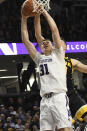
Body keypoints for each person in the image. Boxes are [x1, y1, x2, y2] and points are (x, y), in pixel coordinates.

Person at [21, 6, 73, 131]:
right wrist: (24, 18)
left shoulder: (58, 55)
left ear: (54, 45)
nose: (44, 42)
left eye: (47, 42)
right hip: (44, 100)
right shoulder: (39, 59)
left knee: (65, 129)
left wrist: (43, 11)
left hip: (58, 97)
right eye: (43, 43)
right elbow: (26, 40)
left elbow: (54, 30)